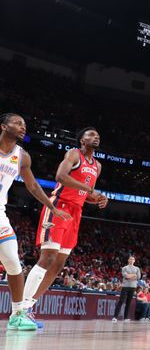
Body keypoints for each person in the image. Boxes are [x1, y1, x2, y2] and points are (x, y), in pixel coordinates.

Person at [23, 126, 108, 328]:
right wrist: (89, 189)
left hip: (76, 213)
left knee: (59, 265)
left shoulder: (98, 165)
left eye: (97, 134)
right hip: (58, 207)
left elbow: (84, 195)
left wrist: (97, 199)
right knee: (48, 258)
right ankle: (21, 308)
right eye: (90, 134)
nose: (95, 136)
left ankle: (29, 307)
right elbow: (60, 177)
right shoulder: (73, 154)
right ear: (82, 140)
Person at [0, 113, 72, 331]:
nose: (23, 127)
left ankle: (17, 314)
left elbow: (32, 186)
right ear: (4, 126)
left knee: (13, 261)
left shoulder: (22, 156)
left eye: (25, 124)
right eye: (18, 123)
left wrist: (52, 208)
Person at [113, 255, 140, 322]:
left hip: (133, 287)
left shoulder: (137, 268)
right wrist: (134, 275)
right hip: (125, 286)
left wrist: (130, 276)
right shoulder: (124, 268)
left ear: (134, 261)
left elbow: (138, 277)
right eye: (130, 259)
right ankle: (115, 317)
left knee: (128, 302)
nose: (131, 260)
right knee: (121, 301)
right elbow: (126, 276)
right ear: (128, 260)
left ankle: (125, 317)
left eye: (133, 259)